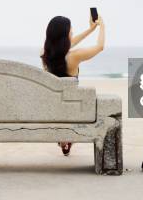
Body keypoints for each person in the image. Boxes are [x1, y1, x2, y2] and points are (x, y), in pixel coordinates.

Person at [40, 13, 105, 155]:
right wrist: (102, 26)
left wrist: (90, 30)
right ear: (65, 37)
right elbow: (100, 47)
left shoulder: (44, 54)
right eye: (71, 32)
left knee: (61, 104)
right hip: (73, 110)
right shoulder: (74, 57)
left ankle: (64, 138)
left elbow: (68, 44)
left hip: (52, 110)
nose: (73, 33)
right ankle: (66, 137)